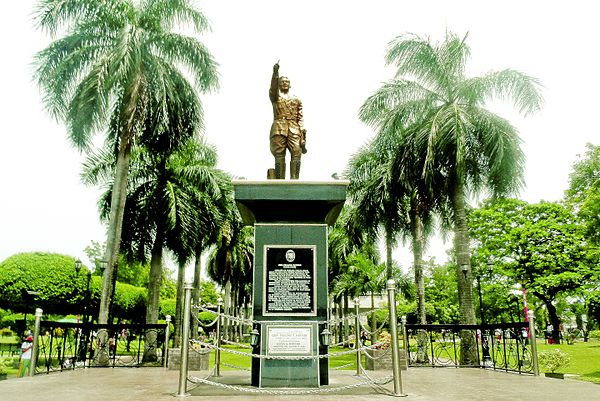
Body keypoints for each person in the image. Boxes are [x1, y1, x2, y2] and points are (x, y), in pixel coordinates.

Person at [269, 62, 307, 179]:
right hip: (279, 127)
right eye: (282, 82)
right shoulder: (275, 97)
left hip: (294, 128)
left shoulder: (297, 99)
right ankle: (280, 181)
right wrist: (275, 73)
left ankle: (295, 180)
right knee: (279, 154)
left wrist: (302, 132)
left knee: (297, 152)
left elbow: (300, 117)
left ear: (290, 85)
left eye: (287, 82)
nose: (284, 83)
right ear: (279, 85)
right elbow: (273, 88)